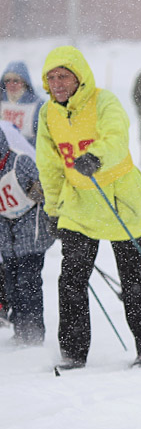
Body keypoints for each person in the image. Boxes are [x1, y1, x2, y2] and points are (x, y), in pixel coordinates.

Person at [37, 46, 141, 368]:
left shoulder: (104, 101)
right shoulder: (48, 113)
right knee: (72, 279)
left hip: (120, 196)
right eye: (51, 77)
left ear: (79, 77)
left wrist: (97, 155)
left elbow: (118, 137)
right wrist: (53, 208)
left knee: (132, 275)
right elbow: (49, 165)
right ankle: (73, 352)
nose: (57, 83)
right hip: (79, 203)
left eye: (63, 76)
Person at [0, 121, 54, 345]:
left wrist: (39, 191)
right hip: (8, 237)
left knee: (28, 283)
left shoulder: (19, 161)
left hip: (30, 232)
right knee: (12, 284)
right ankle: (20, 330)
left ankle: (32, 335)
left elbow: (44, 187)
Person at [1, 62, 45, 146]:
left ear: (25, 82)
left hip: (28, 154)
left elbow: (43, 138)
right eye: (7, 81)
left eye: (16, 81)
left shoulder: (37, 105)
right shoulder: (2, 102)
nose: (11, 85)